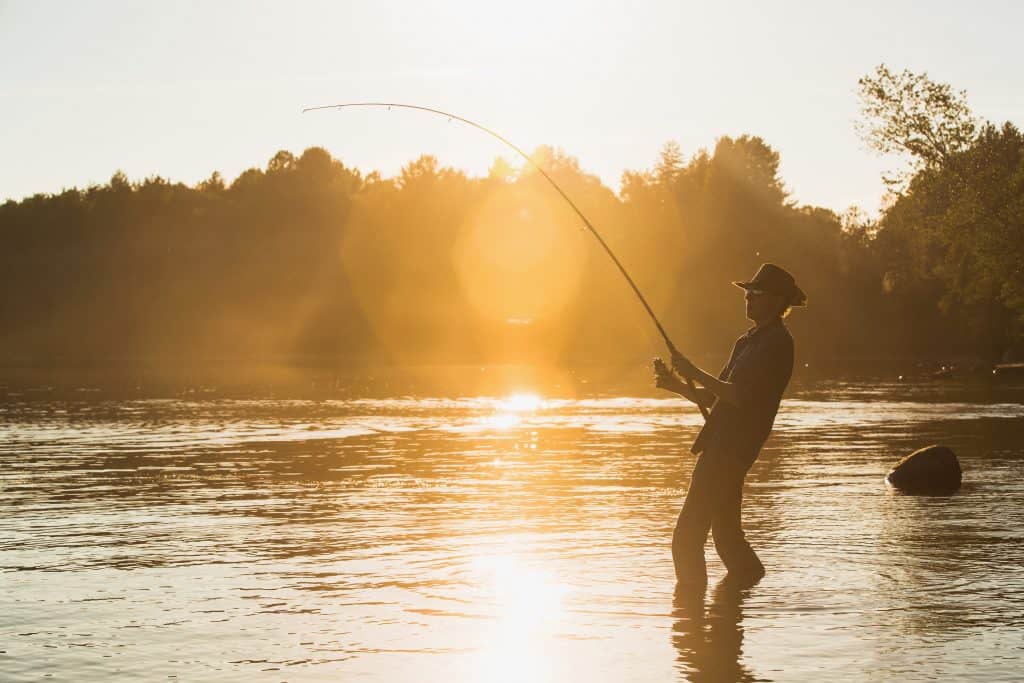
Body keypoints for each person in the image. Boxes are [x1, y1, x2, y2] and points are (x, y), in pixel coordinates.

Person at [654, 263, 806, 584]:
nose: (747, 298)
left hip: (731, 452)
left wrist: (694, 372)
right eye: (747, 293)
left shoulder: (778, 343)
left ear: (778, 301)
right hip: (719, 446)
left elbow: (739, 397)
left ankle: (689, 619)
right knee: (727, 538)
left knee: (686, 538)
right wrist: (678, 386)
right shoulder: (746, 341)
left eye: (755, 293)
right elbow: (714, 398)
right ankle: (741, 600)